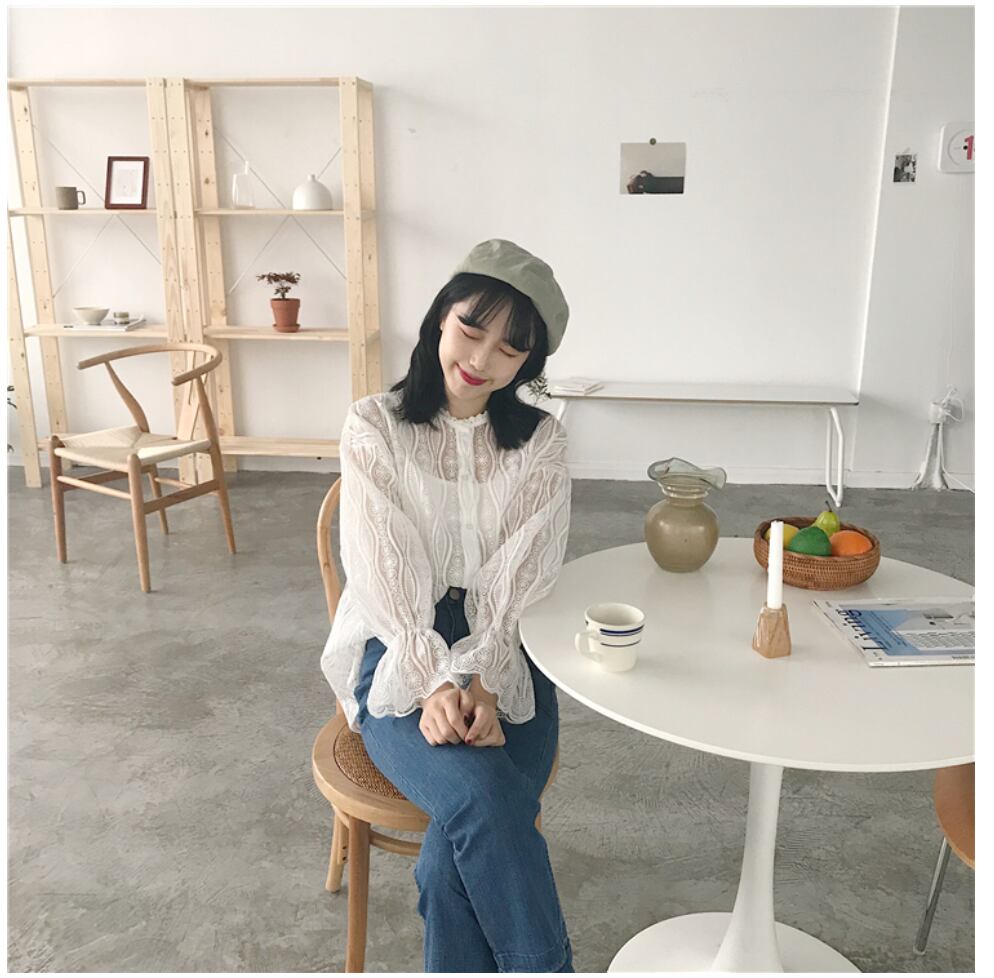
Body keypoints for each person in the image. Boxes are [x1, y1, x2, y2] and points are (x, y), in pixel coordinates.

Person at [321, 239, 575, 972]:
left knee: (447, 863)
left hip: (511, 650)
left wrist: (485, 682)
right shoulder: (373, 425)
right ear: (440, 317)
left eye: (510, 349)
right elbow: (381, 565)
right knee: (484, 800)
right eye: (471, 327)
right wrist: (435, 683)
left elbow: (527, 568)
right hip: (400, 648)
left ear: (528, 364)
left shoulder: (542, 443)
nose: (482, 358)